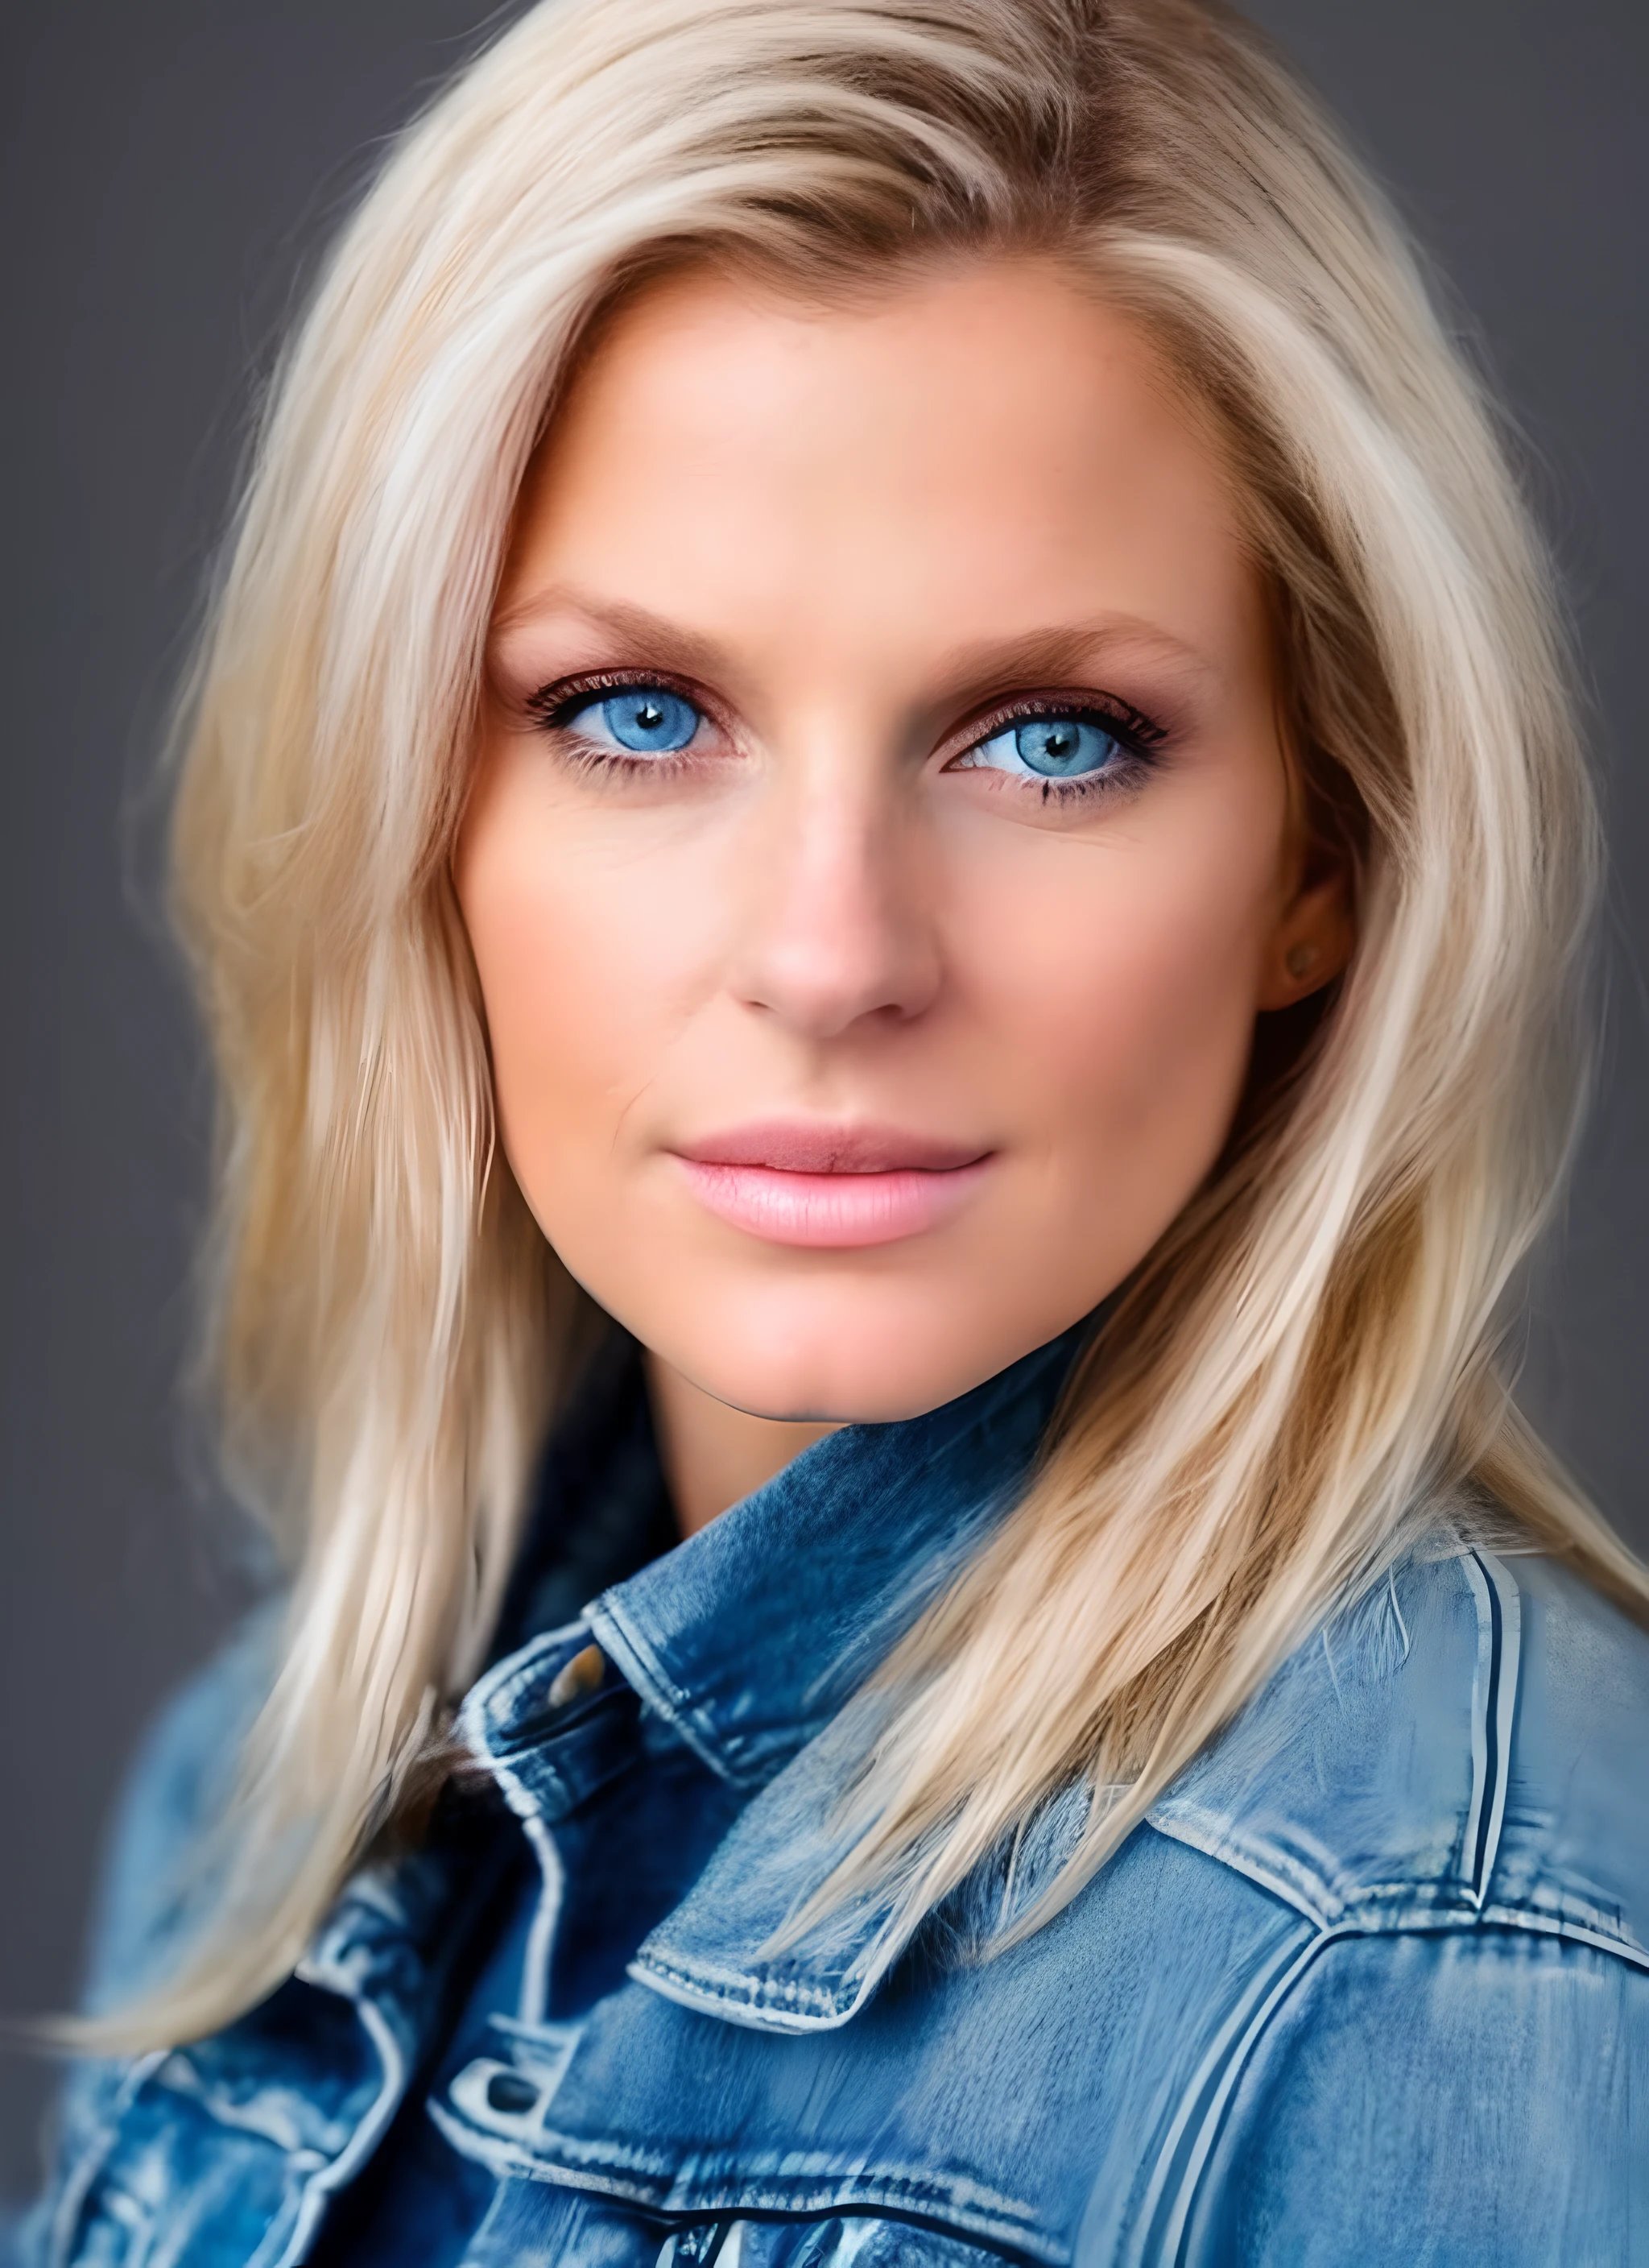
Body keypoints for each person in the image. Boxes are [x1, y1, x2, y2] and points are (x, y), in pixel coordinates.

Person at [21, 0, 1649, 2260]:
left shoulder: (1458, 1968)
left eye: (1052, 740)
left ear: (1323, 862)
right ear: (410, 811)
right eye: (640, 712)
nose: (833, 952)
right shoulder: (275, 1799)